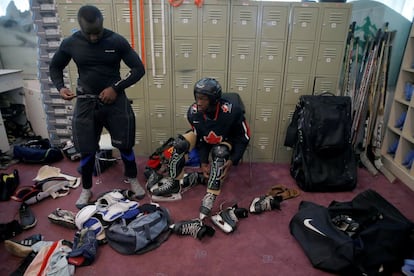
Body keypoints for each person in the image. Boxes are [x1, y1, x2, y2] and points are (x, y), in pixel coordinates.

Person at [49, 5, 146, 209]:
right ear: (80, 27)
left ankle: (132, 178)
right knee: (86, 150)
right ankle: (86, 188)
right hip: (86, 102)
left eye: (97, 32)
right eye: (89, 33)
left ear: (102, 24)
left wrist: (115, 87)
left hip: (114, 101)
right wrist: (60, 88)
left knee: (125, 145)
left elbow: (138, 69)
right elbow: (55, 66)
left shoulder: (116, 41)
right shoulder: (71, 43)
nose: (94, 38)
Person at [149, 77, 250, 220]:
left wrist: (233, 160)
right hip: (206, 140)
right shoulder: (193, 112)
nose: (199, 102)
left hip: (226, 141)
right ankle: (174, 183)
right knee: (178, 144)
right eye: (197, 98)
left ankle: (211, 194)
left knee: (219, 153)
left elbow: (244, 137)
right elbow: (201, 139)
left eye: (203, 99)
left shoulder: (233, 112)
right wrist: (203, 162)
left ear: (214, 99)